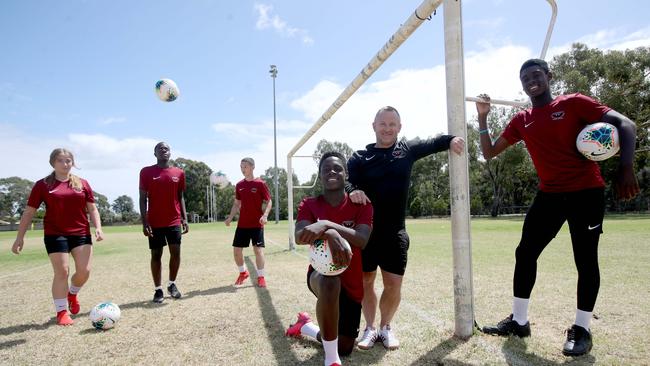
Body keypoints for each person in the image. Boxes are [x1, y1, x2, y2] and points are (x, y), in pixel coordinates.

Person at [475, 58, 640, 357]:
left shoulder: (575, 103)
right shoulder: (521, 120)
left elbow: (626, 124)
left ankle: (582, 328)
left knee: (585, 260)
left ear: (549, 76)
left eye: (536, 74)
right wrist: (483, 118)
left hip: (585, 193)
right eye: (524, 77)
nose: (530, 80)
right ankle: (520, 321)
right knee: (525, 252)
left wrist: (626, 166)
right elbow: (488, 153)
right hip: (549, 195)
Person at [346, 106, 465, 350]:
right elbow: (346, 180)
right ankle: (369, 328)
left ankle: (386, 327)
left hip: (394, 232)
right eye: (383, 124)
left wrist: (451, 139)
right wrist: (352, 191)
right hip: (364, 232)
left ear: (399, 127)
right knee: (366, 281)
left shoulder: (407, 150)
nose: (387, 128)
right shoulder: (359, 158)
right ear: (374, 126)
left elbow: (433, 142)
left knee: (393, 284)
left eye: (392, 124)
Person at [285, 152, 373, 366]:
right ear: (320, 176)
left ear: (346, 174)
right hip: (318, 275)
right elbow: (299, 236)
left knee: (345, 347)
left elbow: (361, 240)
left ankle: (305, 326)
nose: (331, 172)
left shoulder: (363, 205)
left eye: (337, 168)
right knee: (329, 280)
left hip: (351, 283)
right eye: (326, 169)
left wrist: (327, 225)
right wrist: (330, 234)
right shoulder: (310, 204)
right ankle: (331, 360)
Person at [11, 148, 104, 325]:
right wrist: (19, 237)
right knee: (62, 271)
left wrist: (98, 227)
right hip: (55, 234)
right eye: (61, 160)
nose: (65, 163)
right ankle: (62, 311)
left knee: (84, 271)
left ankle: (72, 293)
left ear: (73, 163)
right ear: (53, 163)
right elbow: (29, 212)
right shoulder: (43, 185)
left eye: (68, 160)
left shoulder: (82, 183)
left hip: (81, 233)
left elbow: (92, 208)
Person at [139, 142, 188, 303]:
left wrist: (184, 218)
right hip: (154, 221)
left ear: (170, 153)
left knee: (176, 253)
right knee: (156, 255)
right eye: (160, 149)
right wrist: (145, 222)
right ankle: (158, 290)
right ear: (155, 154)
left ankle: (172, 284)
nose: (163, 151)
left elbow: (180, 196)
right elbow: (142, 198)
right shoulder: (146, 172)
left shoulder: (179, 173)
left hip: (174, 220)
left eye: (166, 149)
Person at [225, 157, 272, 288]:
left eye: (245, 166)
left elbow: (269, 201)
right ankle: (243, 273)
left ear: (252, 167)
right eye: (241, 167)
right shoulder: (239, 185)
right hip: (242, 225)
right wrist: (230, 217)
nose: (242, 169)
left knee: (258, 251)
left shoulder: (260, 184)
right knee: (236, 251)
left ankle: (261, 277)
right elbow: (236, 203)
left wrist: (265, 215)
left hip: (257, 224)